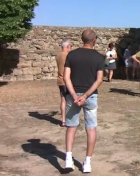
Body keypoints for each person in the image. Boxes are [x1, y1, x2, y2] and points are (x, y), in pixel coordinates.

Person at [63, 29, 105, 173]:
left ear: (82, 39)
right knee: (91, 128)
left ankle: (68, 158)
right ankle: (87, 162)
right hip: (90, 95)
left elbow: (66, 77)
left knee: (71, 126)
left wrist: (74, 95)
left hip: (72, 95)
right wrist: (86, 95)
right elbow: (99, 80)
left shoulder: (72, 55)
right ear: (95, 40)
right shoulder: (99, 57)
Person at [55, 39, 72, 127]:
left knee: (63, 100)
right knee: (70, 100)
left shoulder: (58, 55)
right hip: (67, 80)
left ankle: (63, 120)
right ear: (67, 46)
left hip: (60, 80)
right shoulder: (67, 55)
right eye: (70, 46)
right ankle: (69, 119)